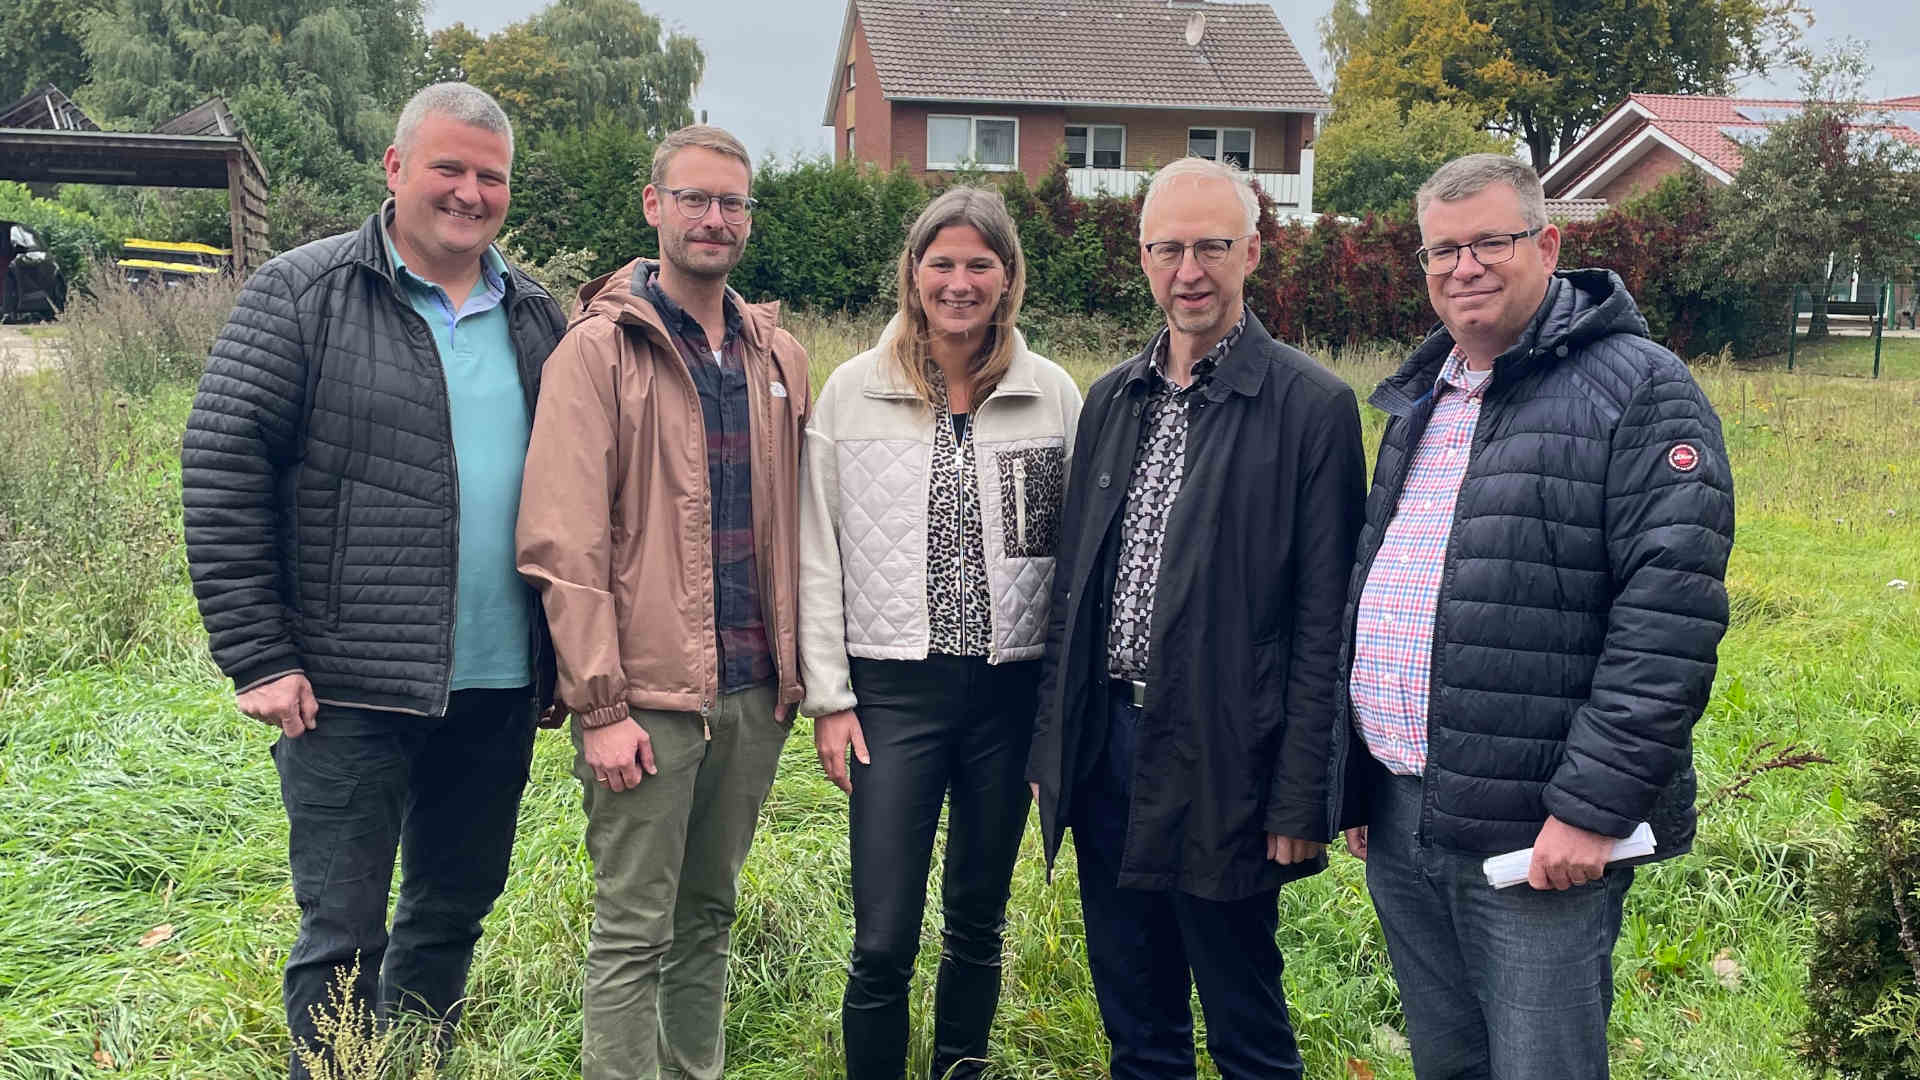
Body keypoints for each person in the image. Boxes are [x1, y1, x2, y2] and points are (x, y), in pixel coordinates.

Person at [180, 83, 566, 1075]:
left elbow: (575, 494)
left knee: (451, 910)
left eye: (490, 176)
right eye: (450, 168)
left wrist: (565, 658)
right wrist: (259, 654)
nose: (470, 192)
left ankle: (417, 1063)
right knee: (343, 931)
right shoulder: (303, 293)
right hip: (346, 685)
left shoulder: (534, 314)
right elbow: (223, 462)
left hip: (496, 681)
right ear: (395, 169)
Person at [1338, 153, 1734, 1079]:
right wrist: (1360, 779)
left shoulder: (1640, 386)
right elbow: (1378, 581)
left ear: (1547, 245)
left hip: (1537, 823)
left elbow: (1669, 618)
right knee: (1448, 1060)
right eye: (1442, 250)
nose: (1463, 266)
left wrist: (1591, 810)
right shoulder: (1424, 397)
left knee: (1539, 1063)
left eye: (1489, 241)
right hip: (1405, 808)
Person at [1025, 157, 1367, 1079]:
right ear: (1142, 257)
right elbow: (1074, 594)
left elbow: (1326, 621)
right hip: (1107, 751)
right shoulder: (1111, 399)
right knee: (1137, 1026)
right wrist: (1054, 750)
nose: (1190, 270)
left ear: (1252, 251)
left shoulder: (1313, 408)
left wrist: (1303, 797)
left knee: (1245, 1025)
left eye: (1212, 246)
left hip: (1228, 755)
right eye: (1169, 248)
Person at [514, 124, 811, 1080]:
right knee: (634, 930)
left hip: (752, 691)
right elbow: (564, 541)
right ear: (655, 207)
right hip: (643, 700)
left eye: (731, 202)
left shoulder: (777, 357)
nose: (714, 218)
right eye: (694, 198)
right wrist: (600, 707)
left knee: (708, 918)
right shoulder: (598, 352)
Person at [799, 187, 1084, 1080]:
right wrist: (831, 699)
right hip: (893, 697)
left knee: (977, 914)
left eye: (979, 266)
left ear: (1008, 280)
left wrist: (1057, 719)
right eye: (942, 264)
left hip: (1008, 698)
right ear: (913, 274)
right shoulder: (852, 392)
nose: (959, 284)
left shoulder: (1052, 396)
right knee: (883, 933)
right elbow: (817, 554)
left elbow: (1076, 567)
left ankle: (962, 1064)